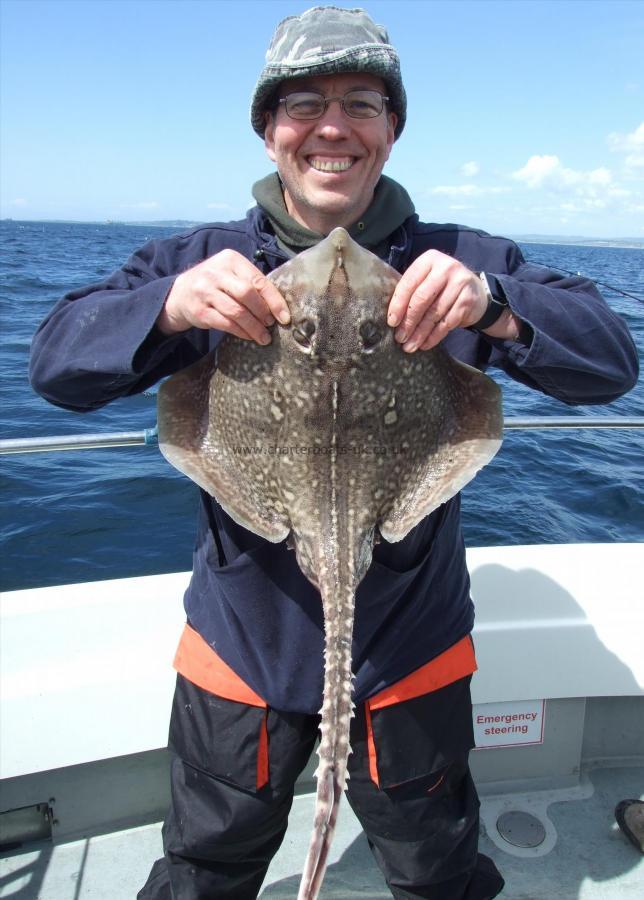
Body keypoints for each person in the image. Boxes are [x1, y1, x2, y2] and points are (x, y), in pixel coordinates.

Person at [29, 7, 638, 899]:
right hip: (243, 644)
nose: (331, 125)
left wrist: (496, 303)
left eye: (362, 102)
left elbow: (611, 363)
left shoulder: (462, 260)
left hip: (410, 650)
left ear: (391, 130)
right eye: (303, 102)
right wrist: (168, 306)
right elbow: (55, 361)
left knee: (436, 870)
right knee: (204, 866)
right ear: (269, 129)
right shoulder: (200, 260)